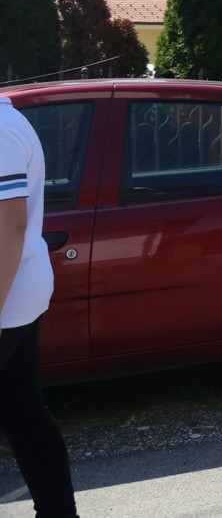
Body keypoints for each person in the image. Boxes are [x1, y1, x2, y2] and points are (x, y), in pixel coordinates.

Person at [0, 94, 80, 517]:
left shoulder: (1, 131)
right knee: (24, 411)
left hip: (7, 299)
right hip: (17, 295)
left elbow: (10, 225)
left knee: (24, 413)